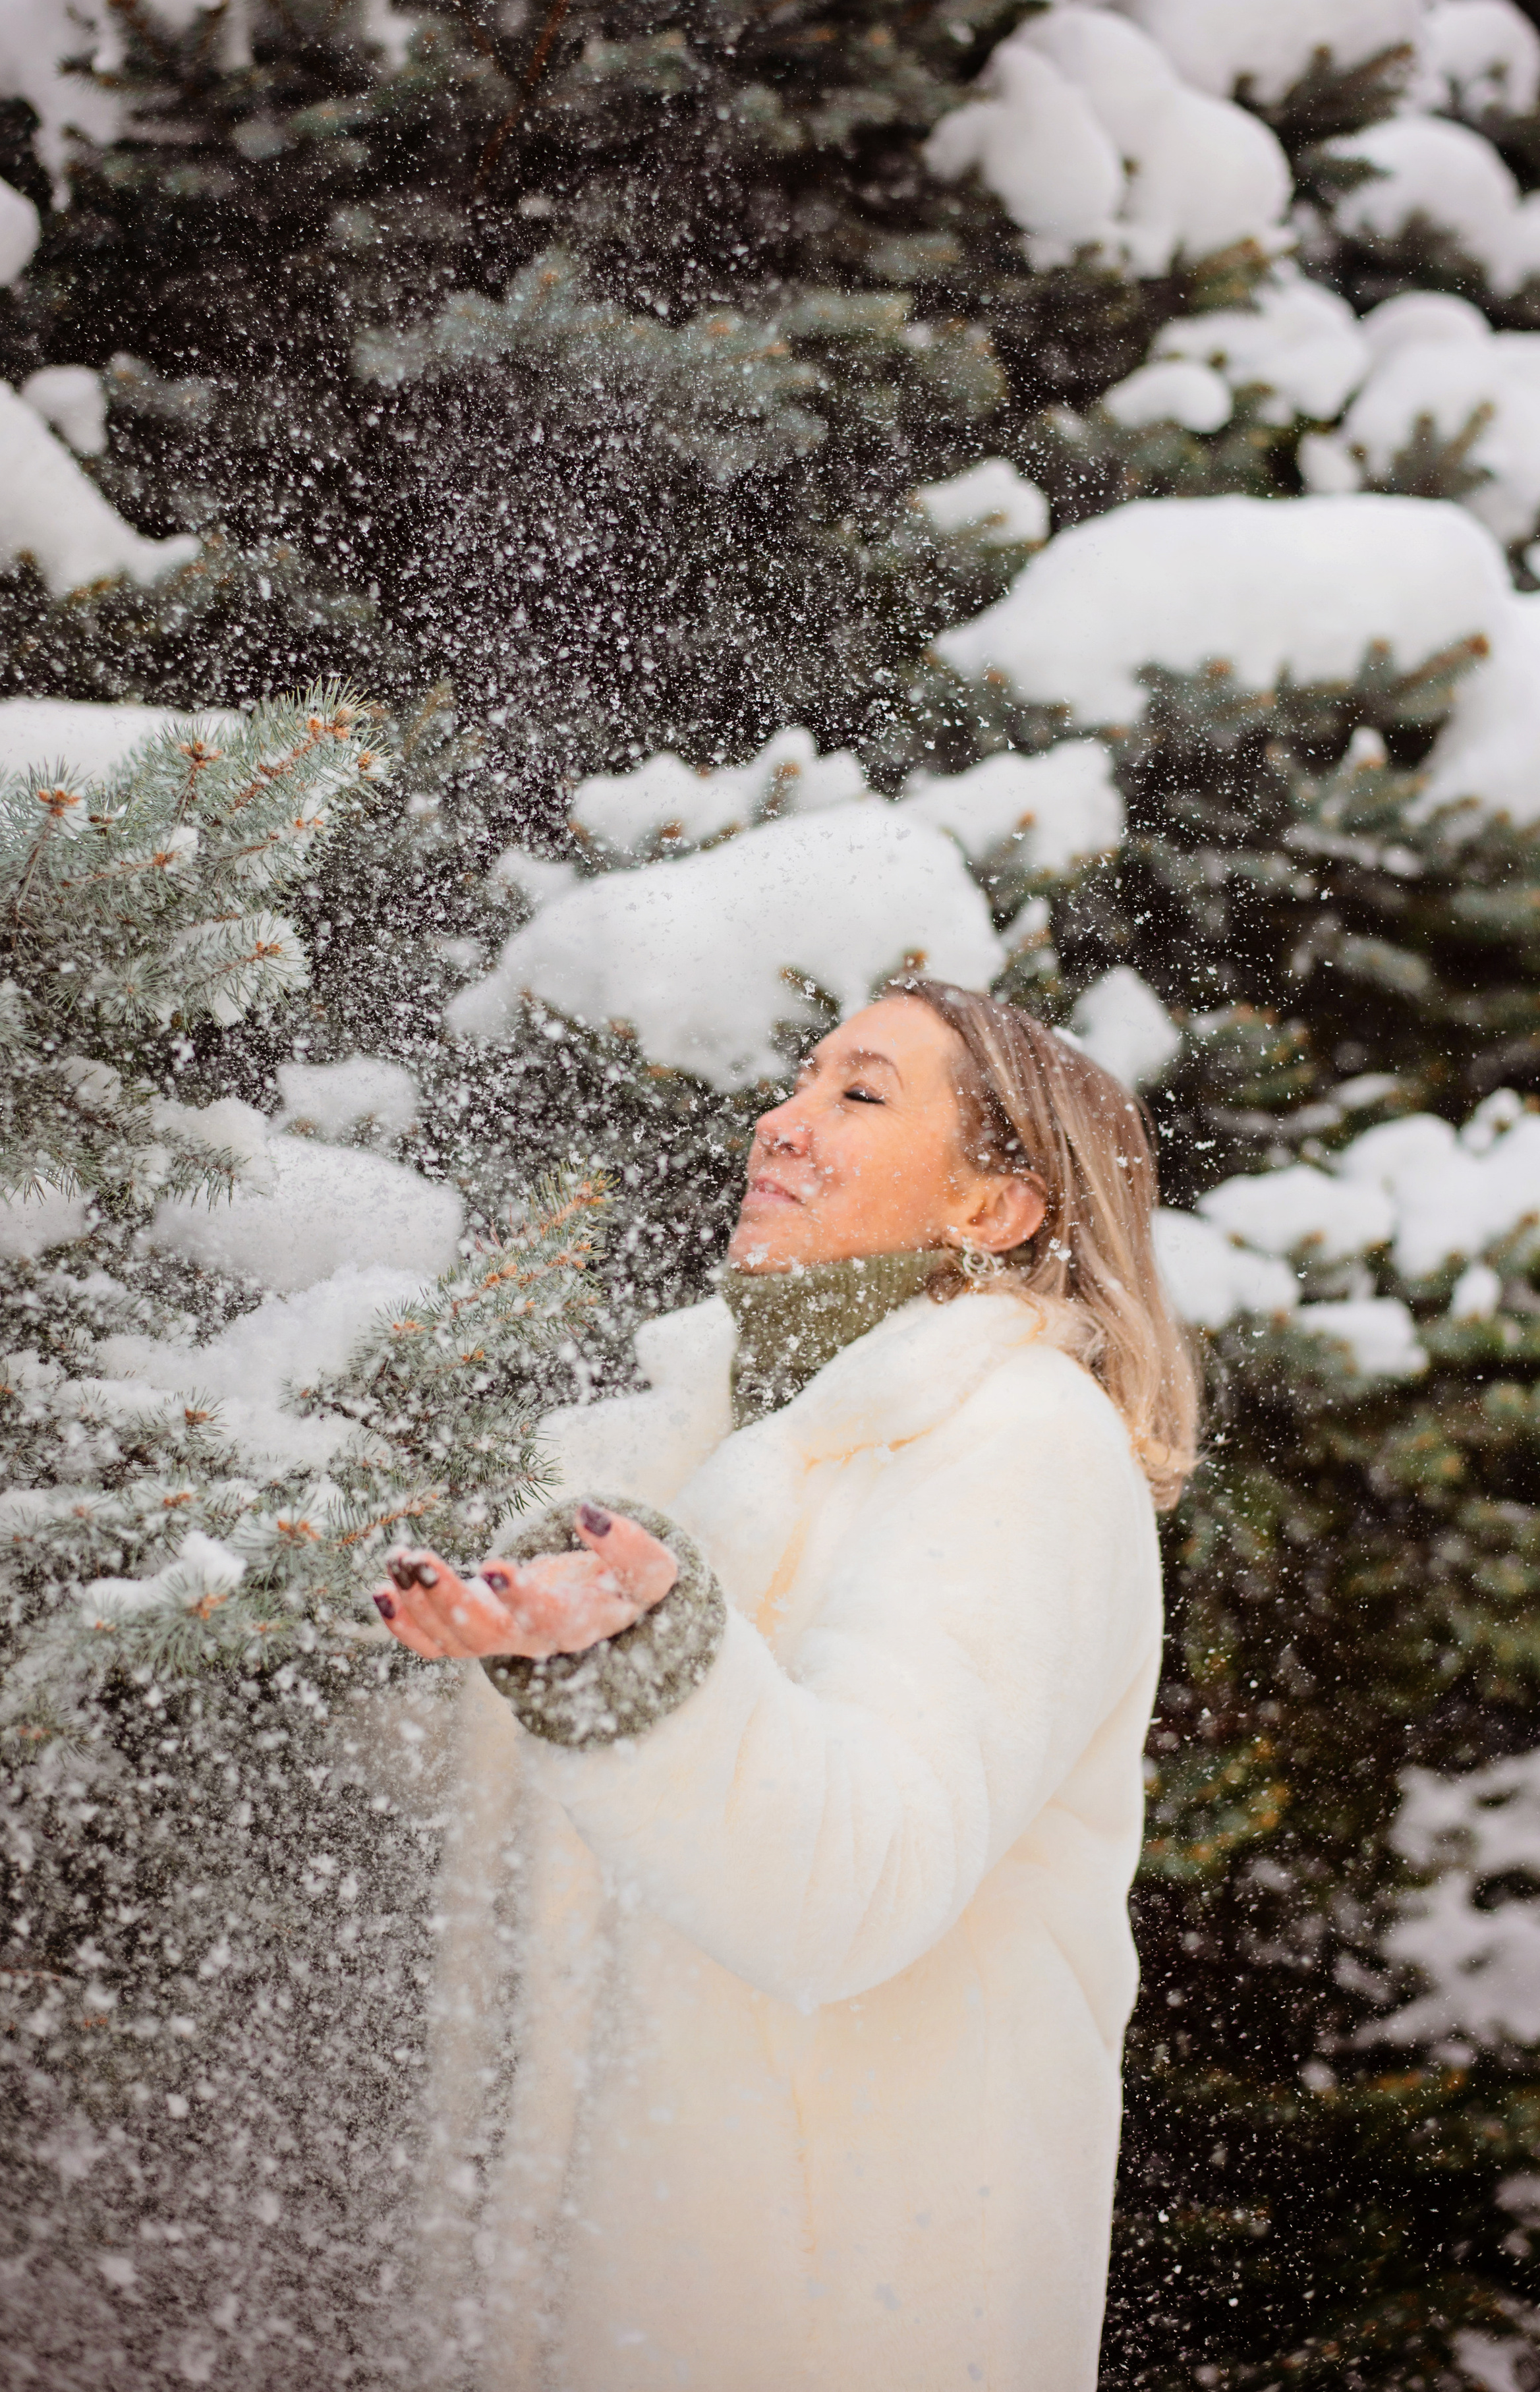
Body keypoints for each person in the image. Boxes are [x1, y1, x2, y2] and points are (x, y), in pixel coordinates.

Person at [371, 978, 1196, 2392]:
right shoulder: (701, 1445)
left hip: (841, 2320)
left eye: (857, 1094)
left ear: (994, 1209)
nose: (783, 1122)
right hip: (614, 2309)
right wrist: (519, 1638)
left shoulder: (1018, 1445)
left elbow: (850, 1886)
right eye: (799, 1079)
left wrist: (638, 1666)